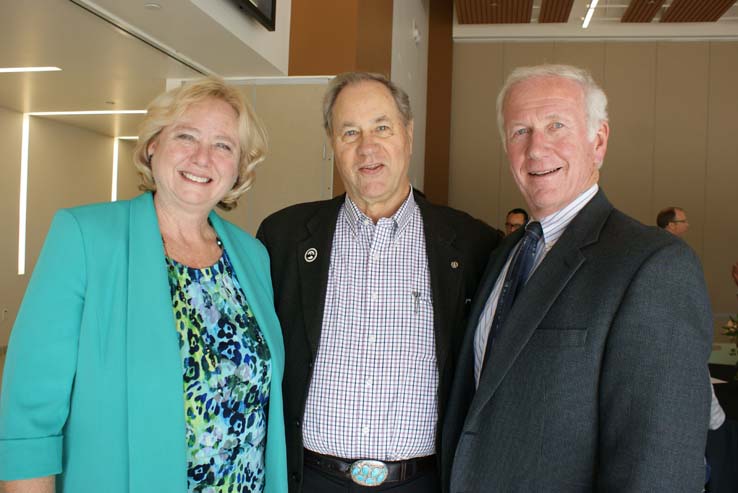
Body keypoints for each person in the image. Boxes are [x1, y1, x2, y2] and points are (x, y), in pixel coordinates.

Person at [0, 78, 287, 493]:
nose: (202, 157)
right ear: (153, 144)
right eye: (186, 136)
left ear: (240, 166)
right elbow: (30, 413)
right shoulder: (85, 237)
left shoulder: (252, 256)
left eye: (223, 145)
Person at [442, 64, 712, 492]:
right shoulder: (506, 254)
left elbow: (659, 462)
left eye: (556, 126)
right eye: (519, 131)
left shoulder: (652, 264)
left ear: (598, 141)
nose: (536, 149)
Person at [257, 72, 501, 492]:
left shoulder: (473, 244)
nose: (367, 148)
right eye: (349, 132)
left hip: (423, 482)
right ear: (332, 143)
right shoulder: (283, 237)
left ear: (408, 134)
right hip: (309, 479)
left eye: (381, 127)